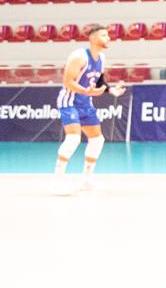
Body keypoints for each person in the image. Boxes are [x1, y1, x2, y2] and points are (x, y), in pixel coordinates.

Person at [52, 24, 125, 194]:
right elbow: (67, 82)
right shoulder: (79, 56)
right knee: (73, 138)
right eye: (103, 35)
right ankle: (56, 182)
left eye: (108, 35)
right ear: (92, 38)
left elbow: (98, 80)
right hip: (69, 101)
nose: (108, 38)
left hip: (85, 102)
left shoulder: (102, 58)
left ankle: (86, 180)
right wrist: (87, 91)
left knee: (97, 140)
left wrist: (110, 90)